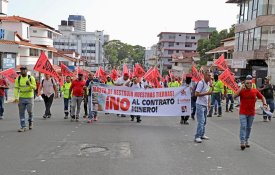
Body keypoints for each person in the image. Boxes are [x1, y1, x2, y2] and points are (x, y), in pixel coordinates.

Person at [234, 75, 267, 150]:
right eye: (247, 83)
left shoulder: (254, 91)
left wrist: (264, 103)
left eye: (250, 83)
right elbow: (234, 96)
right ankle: (242, 142)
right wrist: (240, 88)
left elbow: (262, 97)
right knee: (243, 126)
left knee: (249, 127)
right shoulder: (242, 91)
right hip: (243, 112)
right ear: (244, 84)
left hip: (251, 113)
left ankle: (246, 140)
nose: (249, 84)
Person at [14, 66, 36, 132]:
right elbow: (16, 88)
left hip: (30, 98)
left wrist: (29, 84)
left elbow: (35, 88)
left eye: (24, 70)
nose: (22, 71)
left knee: (30, 111)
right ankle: (23, 126)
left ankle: (30, 122)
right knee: (21, 113)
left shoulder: (31, 78)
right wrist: (16, 97)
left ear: (27, 70)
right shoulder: (18, 79)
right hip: (21, 98)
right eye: (21, 70)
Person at [194, 70, 212, 143]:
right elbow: (196, 94)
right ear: (204, 76)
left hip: (205, 105)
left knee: (204, 121)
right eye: (208, 75)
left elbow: (209, 94)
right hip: (200, 104)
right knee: (201, 121)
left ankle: (202, 134)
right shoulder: (201, 83)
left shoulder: (208, 84)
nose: (210, 77)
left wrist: (209, 103)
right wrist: (207, 93)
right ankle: (197, 136)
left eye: (210, 75)